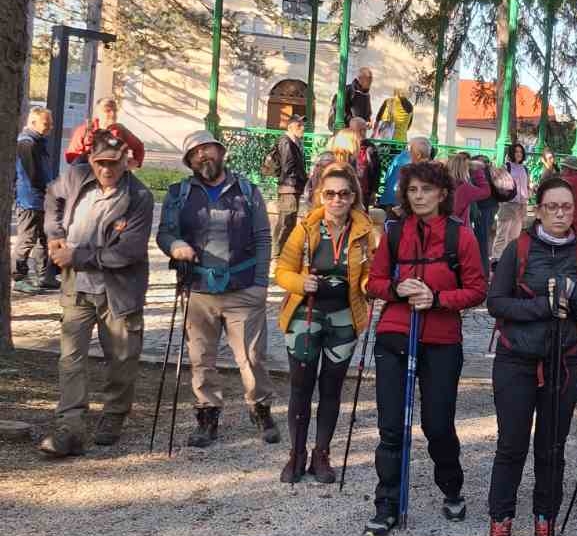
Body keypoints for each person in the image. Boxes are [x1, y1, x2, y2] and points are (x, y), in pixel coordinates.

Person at [363, 159, 487, 536]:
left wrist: (436, 299)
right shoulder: (395, 233)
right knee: (390, 427)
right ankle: (386, 503)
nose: (419, 197)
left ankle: (451, 487)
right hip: (395, 334)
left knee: (437, 424)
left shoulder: (459, 236)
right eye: (413, 190)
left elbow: (477, 290)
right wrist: (396, 289)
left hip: (441, 340)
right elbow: (374, 282)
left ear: (442, 193)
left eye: (427, 190)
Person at [483, 176, 577, 536]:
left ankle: (544, 523)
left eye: (566, 207)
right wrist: (541, 308)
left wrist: (570, 290)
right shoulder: (519, 249)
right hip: (516, 360)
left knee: (552, 449)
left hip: (562, 363)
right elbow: (496, 302)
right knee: (511, 446)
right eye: (552, 206)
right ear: (539, 207)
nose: (559, 213)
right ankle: (500, 524)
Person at [157, 130, 278, 448]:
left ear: (220, 151)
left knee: (252, 357)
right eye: (194, 153)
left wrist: (261, 283)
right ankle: (207, 417)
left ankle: (261, 409)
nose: (202, 156)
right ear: (189, 161)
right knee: (201, 358)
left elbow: (264, 238)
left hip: (244, 288)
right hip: (198, 290)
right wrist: (175, 245)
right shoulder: (178, 193)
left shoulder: (248, 191)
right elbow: (165, 233)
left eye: (206, 148)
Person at [38, 131, 154, 456]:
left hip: (119, 290)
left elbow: (127, 252)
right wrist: (55, 235)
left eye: (114, 163)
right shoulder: (76, 176)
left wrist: (75, 255)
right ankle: (70, 427)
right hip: (77, 286)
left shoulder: (139, 197)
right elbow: (52, 195)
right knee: (71, 358)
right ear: (91, 160)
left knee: (121, 358)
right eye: (101, 163)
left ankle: (114, 416)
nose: (107, 170)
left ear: (126, 161)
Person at [274, 164, 375, 485]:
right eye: (330, 194)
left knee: (331, 388)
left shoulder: (364, 232)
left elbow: (372, 272)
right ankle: (296, 454)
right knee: (300, 386)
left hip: (344, 317)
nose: (336, 200)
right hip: (306, 315)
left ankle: (321, 454)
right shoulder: (305, 229)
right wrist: (300, 282)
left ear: (353, 197)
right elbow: (282, 271)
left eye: (344, 194)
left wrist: (369, 286)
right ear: (320, 196)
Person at [14, 106, 59, 293]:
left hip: (41, 199)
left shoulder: (38, 141)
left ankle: (43, 276)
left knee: (43, 237)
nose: (50, 128)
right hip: (30, 199)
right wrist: (49, 190)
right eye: (46, 124)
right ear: (33, 123)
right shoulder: (27, 143)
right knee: (27, 239)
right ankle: (19, 277)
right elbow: (33, 175)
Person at [266, 116, 308, 256]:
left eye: (302, 125)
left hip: (293, 186)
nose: (302, 128)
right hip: (288, 187)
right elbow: (288, 166)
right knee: (285, 221)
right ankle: (276, 254)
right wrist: (300, 178)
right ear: (290, 127)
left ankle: (282, 252)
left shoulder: (295, 142)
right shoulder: (286, 141)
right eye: (299, 125)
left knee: (289, 221)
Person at [64, 96, 146, 167]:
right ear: (98, 113)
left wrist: (136, 162)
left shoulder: (120, 130)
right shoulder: (84, 130)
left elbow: (139, 147)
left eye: (115, 110)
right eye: (108, 111)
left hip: (115, 179)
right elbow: (71, 157)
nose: (113, 114)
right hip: (89, 177)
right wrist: (91, 159)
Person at [492, 142, 531, 256]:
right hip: (508, 205)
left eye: (520, 151)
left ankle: (508, 259)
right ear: (511, 153)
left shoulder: (525, 168)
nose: (519, 154)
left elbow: (526, 185)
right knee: (502, 235)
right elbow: (500, 185)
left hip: (520, 206)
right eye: (516, 151)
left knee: (514, 237)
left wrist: (526, 200)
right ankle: (496, 260)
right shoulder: (506, 167)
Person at [381, 135, 431, 210]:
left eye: (409, 150)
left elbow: (398, 192)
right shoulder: (437, 170)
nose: (406, 152)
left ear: (418, 155)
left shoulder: (408, 170)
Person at [348, 117, 382, 206]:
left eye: (364, 130)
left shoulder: (370, 148)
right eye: (359, 130)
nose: (363, 133)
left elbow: (377, 170)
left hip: (364, 192)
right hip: (348, 190)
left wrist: (374, 191)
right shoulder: (346, 145)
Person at [329, 65, 373, 131]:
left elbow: (367, 113)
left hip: (359, 132)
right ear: (360, 79)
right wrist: (353, 122)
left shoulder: (366, 94)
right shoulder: (347, 91)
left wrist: (368, 122)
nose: (371, 81)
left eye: (371, 79)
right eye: (369, 78)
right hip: (346, 131)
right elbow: (339, 111)